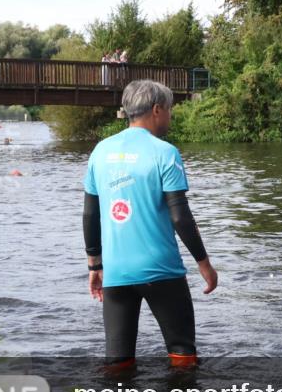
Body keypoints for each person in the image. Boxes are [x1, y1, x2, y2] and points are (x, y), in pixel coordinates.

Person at [83, 79, 218, 367]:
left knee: (117, 362)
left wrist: (94, 265)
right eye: (169, 109)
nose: (170, 116)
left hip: (116, 272)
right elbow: (180, 216)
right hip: (161, 270)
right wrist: (204, 263)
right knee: (182, 353)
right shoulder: (164, 152)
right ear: (157, 110)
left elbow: (90, 215)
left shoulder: (100, 151)